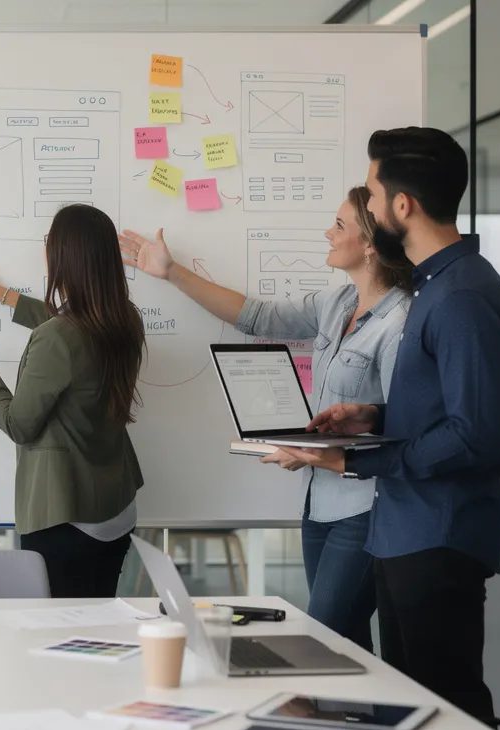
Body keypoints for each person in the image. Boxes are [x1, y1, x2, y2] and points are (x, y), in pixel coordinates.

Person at [277, 127, 500, 729]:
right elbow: (443, 409)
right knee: (409, 710)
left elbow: (475, 436)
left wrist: (356, 459)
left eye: (375, 194)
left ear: (402, 207)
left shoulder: (461, 297)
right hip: (406, 530)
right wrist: (372, 417)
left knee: (448, 715)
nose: (371, 205)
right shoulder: (438, 286)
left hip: (438, 537)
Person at [118, 187, 411, 651]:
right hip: (319, 504)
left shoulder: (400, 323)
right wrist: (172, 273)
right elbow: (255, 317)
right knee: (346, 643)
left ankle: (359, 716)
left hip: (367, 508)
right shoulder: (336, 305)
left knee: (327, 637)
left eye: (339, 226)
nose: (327, 233)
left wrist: (320, 453)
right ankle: (355, 719)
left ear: (371, 243)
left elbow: (405, 429)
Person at [0, 204, 145, 598]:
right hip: (116, 509)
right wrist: (0, 294)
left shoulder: (59, 337)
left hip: (67, 517)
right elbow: (71, 330)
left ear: (63, 256)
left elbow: (19, 424)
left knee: (60, 635)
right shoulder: (124, 320)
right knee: (95, 627)